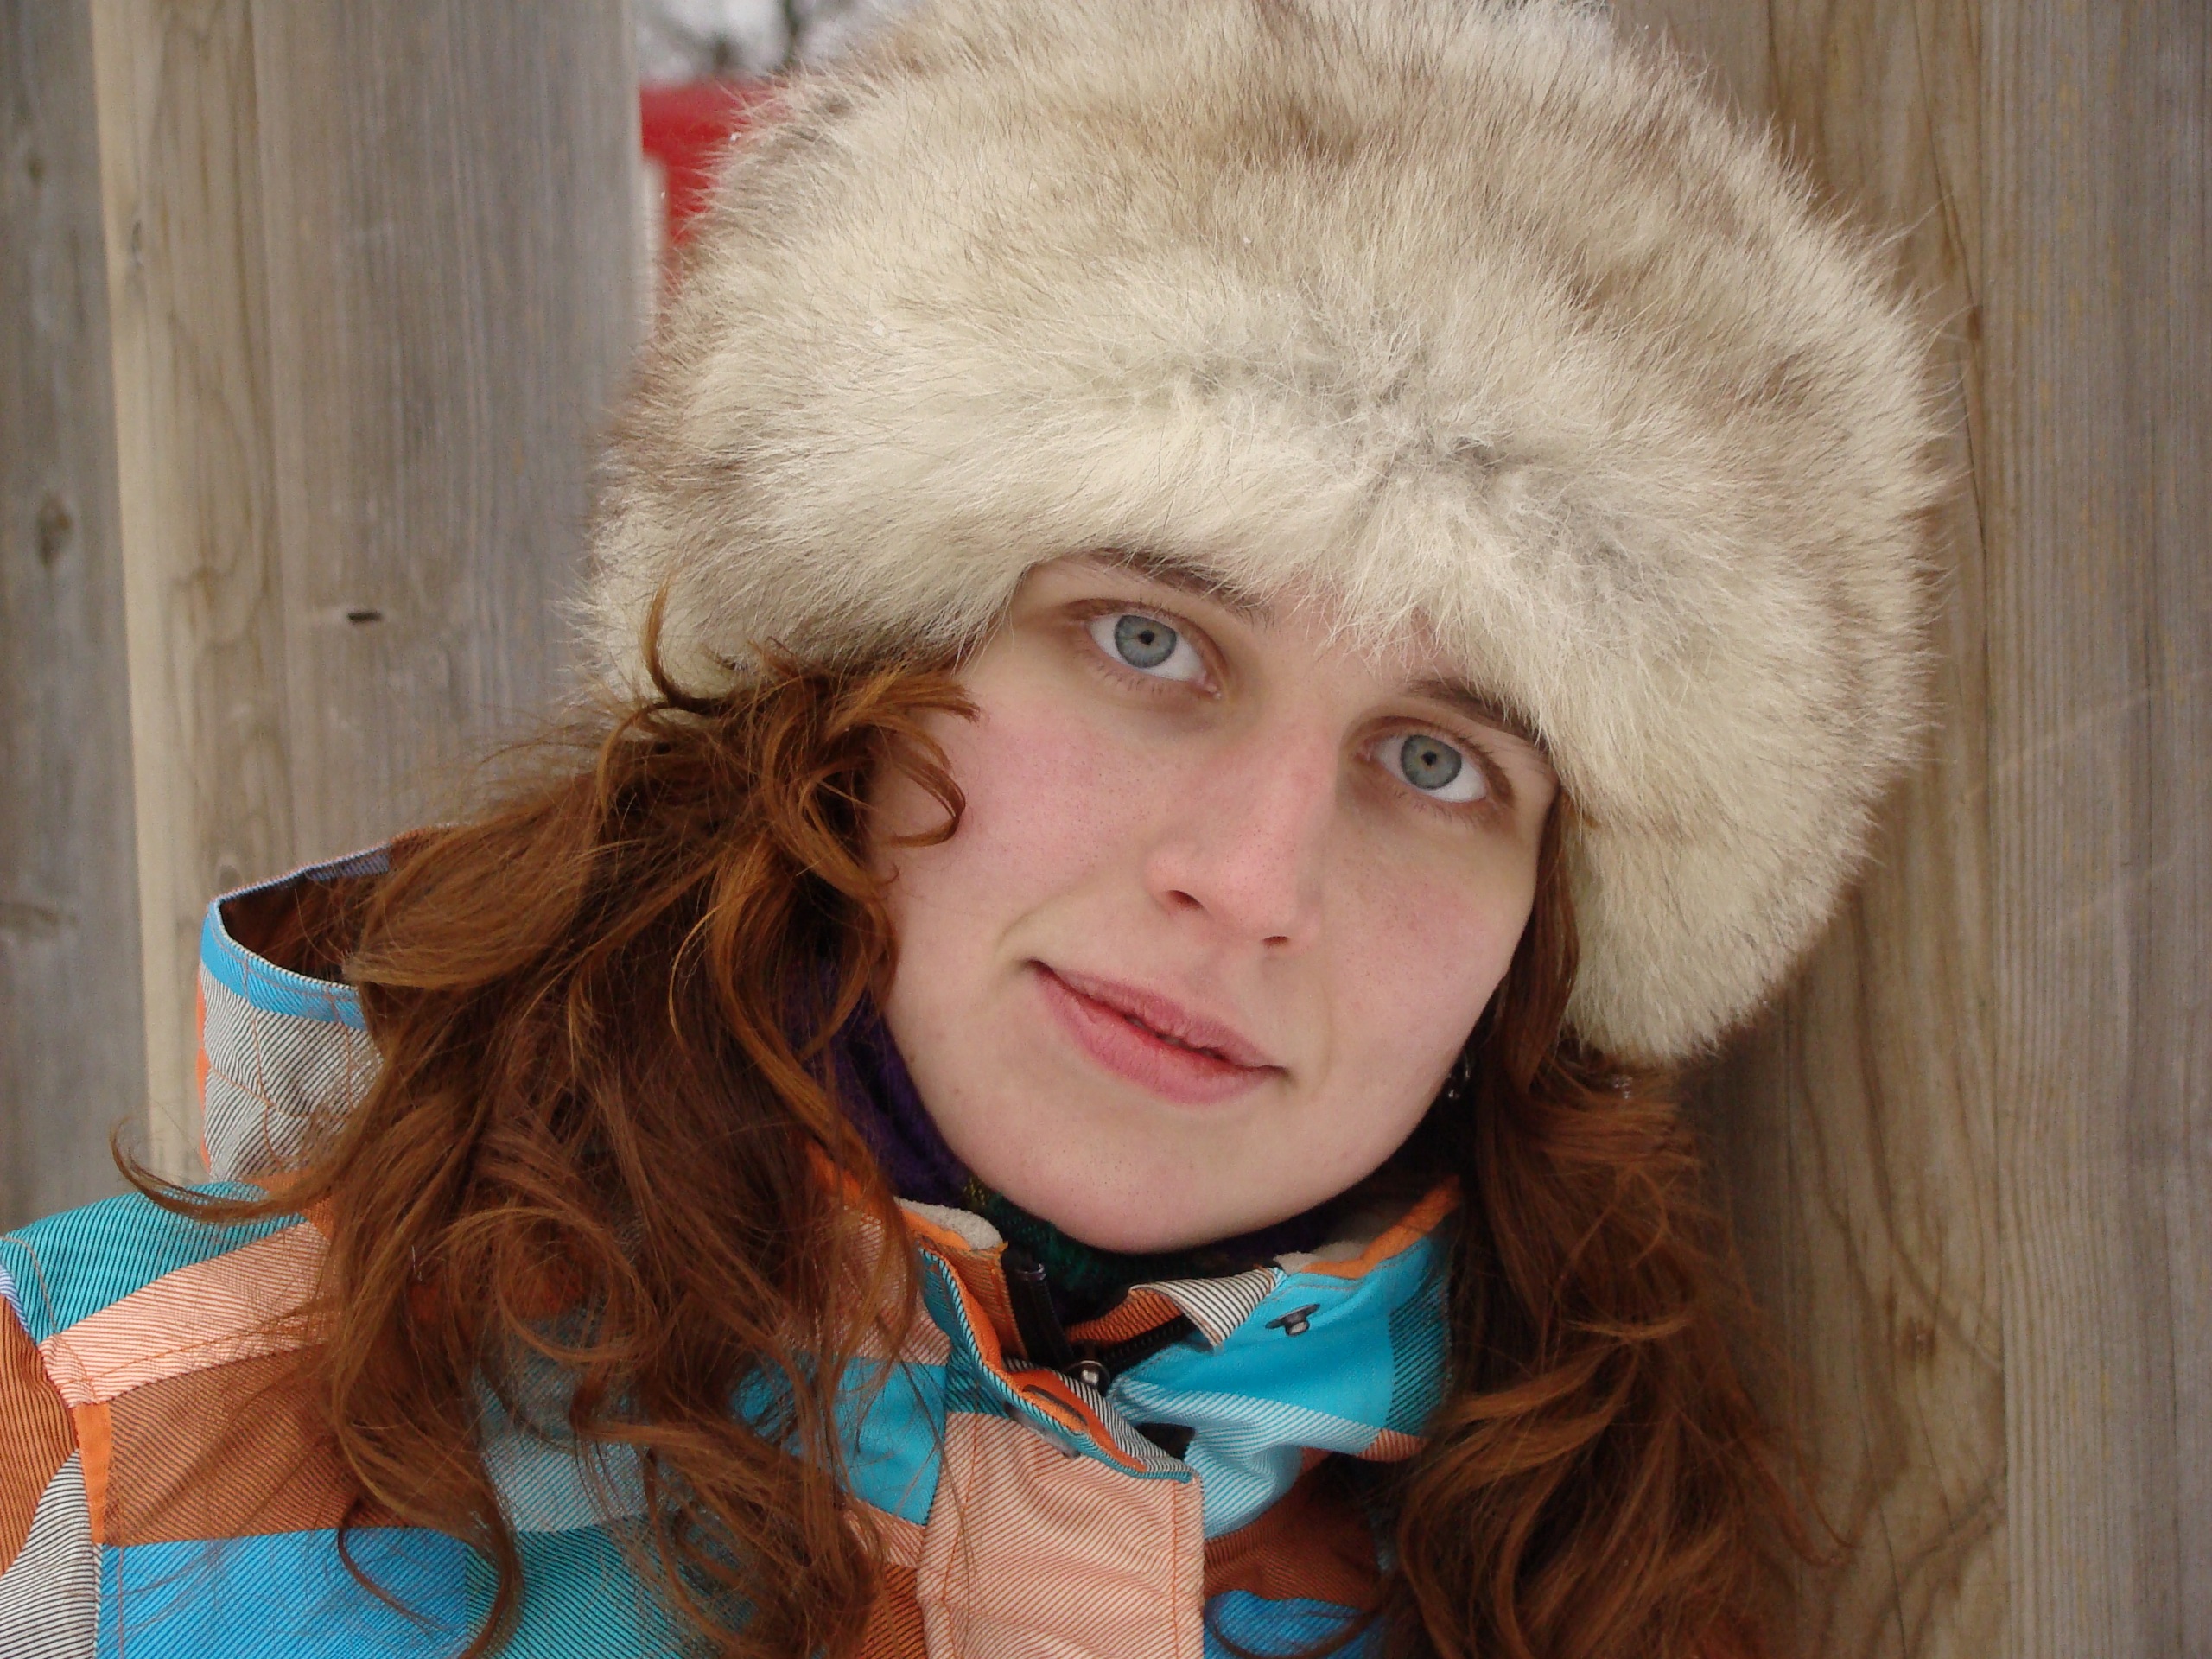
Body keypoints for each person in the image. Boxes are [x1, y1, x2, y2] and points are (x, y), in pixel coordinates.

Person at [0, 1, 1938, 1655]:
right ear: (848, 680)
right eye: (1148, 640)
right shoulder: (108, 1460)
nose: (1249, 882)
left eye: (1438, 763)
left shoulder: (1582, 1579)